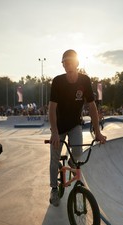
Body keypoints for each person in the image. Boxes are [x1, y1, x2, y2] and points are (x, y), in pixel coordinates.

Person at [48, 49, 107, 206]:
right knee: (54, 159)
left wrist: (98, 133)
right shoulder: (58, 81)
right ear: (63, 65)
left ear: (77, 63)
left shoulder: (85, 80)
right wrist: (54, 133)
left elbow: (92, 107)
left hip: (75, 124)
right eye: (65, 62)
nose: (68, 65)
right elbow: (52, 108)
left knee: (78, 154)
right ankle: (54, 188)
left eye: (70, 62)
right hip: (59, 127)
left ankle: (72, 167)